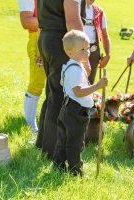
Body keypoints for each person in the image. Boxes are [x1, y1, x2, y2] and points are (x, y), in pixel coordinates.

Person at [53, 30, 108, 176]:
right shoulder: (76, 69)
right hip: (76, 112)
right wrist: (97, 86)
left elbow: (62, 82)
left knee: (63, 140)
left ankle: (58, 167)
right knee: (75, 143)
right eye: (82, 49)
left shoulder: (69, 66)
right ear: (70, 52)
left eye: (88, 48)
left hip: (67, 108)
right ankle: (75, 172)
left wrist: (90, 91)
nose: (87, 52)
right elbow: (78, 91)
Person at [36, 0, 85, 159]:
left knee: (52, 93)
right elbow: (73, 20)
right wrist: (83, 57)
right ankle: (51, 151)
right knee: (59, 96)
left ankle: (42, 144)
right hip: (62, 40)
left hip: (46, 36)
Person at [18, 0, 46, 133]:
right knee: (37, 83)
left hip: (56, 37)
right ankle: (30, 126)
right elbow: (26, 21)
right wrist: (53, 21)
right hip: (37, 39)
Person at [81, 0, 111, 84]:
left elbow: (105, 34)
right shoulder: (74, 7)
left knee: (90, 81)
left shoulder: (99, 11)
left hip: (93, 50)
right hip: (76, 48)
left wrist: (108, 54)